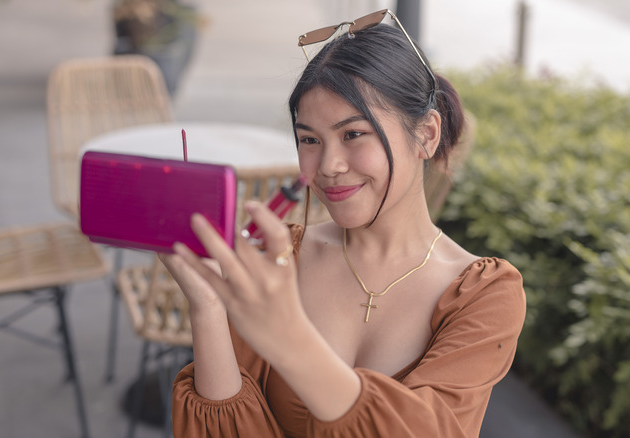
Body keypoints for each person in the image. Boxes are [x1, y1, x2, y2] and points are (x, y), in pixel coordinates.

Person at [162, 9, 526, 437]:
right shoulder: (284, 260)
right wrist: (207, 306)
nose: (329, 166)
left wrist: (287, 334)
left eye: (354, 134)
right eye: (309, 140)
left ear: (426, 134)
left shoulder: (483, 296)